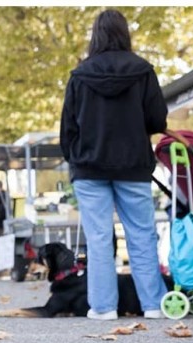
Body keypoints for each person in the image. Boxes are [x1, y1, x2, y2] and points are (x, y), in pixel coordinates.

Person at [59, 9, 169, 320]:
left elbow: (68, 127)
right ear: (125, 33)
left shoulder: (79, 76)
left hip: (89, 167)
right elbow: (157, 119)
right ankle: (152, 304)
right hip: (133, 165)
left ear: (96, 34)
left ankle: (104, 307)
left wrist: (74, 159)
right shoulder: (143, 71)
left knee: (98, 239)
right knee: (142, 234)